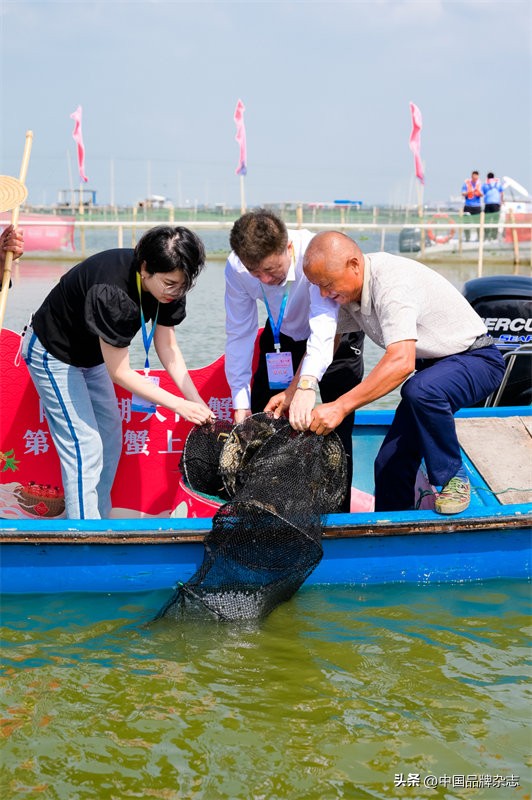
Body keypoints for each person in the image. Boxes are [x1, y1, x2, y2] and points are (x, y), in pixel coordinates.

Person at [294, 231, 505, 515]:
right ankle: (390, 538)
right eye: (317, 286)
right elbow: (327, 342)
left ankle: (453, 479)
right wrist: (294, 390)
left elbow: (401, 362)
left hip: (477, 359)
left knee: (420, 389)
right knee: (389, 464)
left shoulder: (391, 284)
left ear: (354, 265)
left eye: (327, 284)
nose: (323, 294)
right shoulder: (347, 293)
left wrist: (340, 407)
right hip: (434, 370)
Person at [21, 225, 215, 519]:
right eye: (168, 283)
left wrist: (195, 399)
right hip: (54, 353)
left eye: (182, 284)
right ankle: (86, 538)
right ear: (145, 267)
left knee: (110, 437)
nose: (174, 291)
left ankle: (96, 520)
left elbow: (168, 347)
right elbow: (120, 373)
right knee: (84, 446)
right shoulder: (112, 292)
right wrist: (178, 405)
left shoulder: (172, 284)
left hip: (93, 355)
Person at [224, 209, 364, 511]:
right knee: (264, 417)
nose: (265, 279)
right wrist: (240, 401)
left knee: (338, 424)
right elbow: (239, 333)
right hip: (281, 338)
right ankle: (268, 506)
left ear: (288, 248)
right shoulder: (236, 268)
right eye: (255, 273)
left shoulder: (313, 255)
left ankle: (338, 515)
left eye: (272, 270)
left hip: (337, 337)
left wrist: (304, 386)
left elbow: (325, 328)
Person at [461, 170, 484, 241]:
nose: (475, 178)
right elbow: (463, 193)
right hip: (468, 206)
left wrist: (478, 193)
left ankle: (479, 238)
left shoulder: (480, 184)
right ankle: (467, 238)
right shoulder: (466, 183)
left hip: (476, 206)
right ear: (472, 176)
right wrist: (468, 192)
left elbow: (482, 194)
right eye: (474, 177)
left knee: (478, 223)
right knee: (466, 223)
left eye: (476, 177)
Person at [482, 172, 504, 241]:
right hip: (496, 204)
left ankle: (486, 236)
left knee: (486, 221)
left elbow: (483, 193)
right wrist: (501, 201)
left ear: (487, 177)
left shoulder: (485, 184)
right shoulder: (498, 183)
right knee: (495, 221)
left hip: (488, 204)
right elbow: (502, 193)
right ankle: (494, 237)